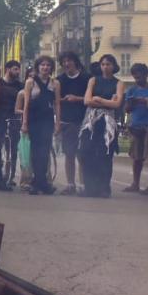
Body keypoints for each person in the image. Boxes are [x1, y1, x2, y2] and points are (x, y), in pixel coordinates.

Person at [79, 54, 124, 198]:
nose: (105, 67)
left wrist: (99, 99)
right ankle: (89, 187)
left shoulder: (118, 83)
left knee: (105, 154)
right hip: (91, 121)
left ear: (114, 66)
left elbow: (116, 104)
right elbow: (87, 100)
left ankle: (104, 187)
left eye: (108, 64)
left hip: (108, 122)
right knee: (87, 152)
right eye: (103, 64)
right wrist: (106, 101)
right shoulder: (93, 80)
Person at [21, 55, 60, 195]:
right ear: (38, 67)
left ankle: (41, 181)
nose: (45, 67)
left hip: (47, 120)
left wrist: (57, 123)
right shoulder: (30, 82)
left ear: (51, 68)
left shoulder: (55, 83)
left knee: (44, 152)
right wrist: (24, 123)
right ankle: (37, 182)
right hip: (33, 119)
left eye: (48, 65)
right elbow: (26, 104)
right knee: (35, 151)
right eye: (42, 65)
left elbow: (57, 104)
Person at [56, 51, 89, 195]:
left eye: (69, 60)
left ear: (76, 62)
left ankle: (83, 185)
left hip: (84, 120)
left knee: (82, 154)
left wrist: (78, 98)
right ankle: (70, 184)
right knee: (69, 154)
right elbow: (55, 100)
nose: (66, 64)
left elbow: (90, 98)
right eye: (63, 61)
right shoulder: (59, 80)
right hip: (67, 121)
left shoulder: (87, 79)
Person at [0, 59, 23, 191]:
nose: (18, 72)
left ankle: (10, 177)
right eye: (15, 69)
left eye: (18, 69)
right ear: (8, 69)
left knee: (12, 149)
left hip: (14, 119)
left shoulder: (20, 86)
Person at [122, 63, 148, 193]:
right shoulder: (131, 90)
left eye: (139, 76)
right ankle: (135, 183)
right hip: (136, 126)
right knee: (137, 157)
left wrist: (144, 100)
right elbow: (127, 109)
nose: (138, 79)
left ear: (146, 75)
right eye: (135, 77)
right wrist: (132, 103)